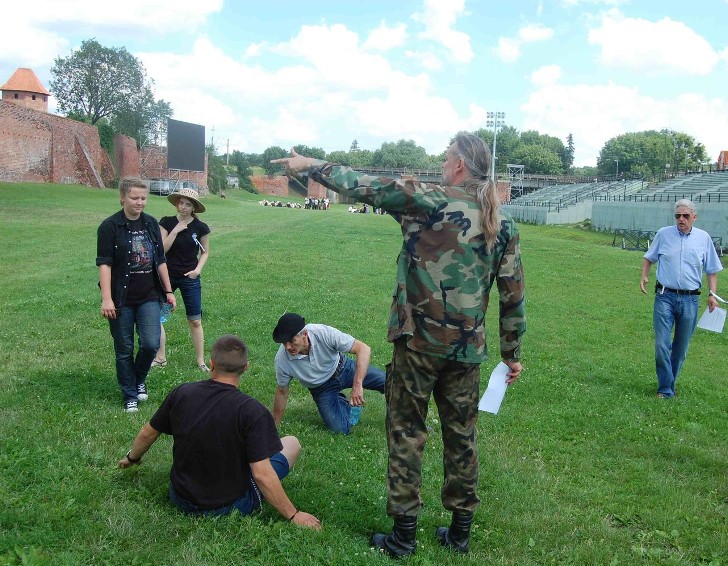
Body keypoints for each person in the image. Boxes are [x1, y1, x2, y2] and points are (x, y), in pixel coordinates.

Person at [274, 132, 526, 557]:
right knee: (461, 436)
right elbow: (513, 293)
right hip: (466, 352)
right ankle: (459, 534)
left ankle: (403, 538)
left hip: (418, 347)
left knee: (407, 433)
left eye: (447, 158)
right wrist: (511, 354)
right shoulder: (500, 219)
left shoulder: (429, 199)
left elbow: (364, 184)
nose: (443, 165)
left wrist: (311, 165)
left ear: (460, 165)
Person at [118, 335, 322, 528]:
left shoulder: (182, 393)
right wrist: (294, 514)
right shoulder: (253, 411)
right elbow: (262, 474)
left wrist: (132, 458)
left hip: (180, 497)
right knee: (291, 443)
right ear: (246, 367)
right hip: (229, 506)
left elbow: (148, 433)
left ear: (212, 364)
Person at [97, 177, 176, 413]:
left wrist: (169, 290)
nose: (140, 202)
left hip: (149, 295)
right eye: (134, 198)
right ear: (122, 198)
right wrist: (107, 298)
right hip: (121, 298)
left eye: (143, 198)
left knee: (151, 344)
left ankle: (138, 379)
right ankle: (129, 393)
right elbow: (105, 264)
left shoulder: (152, 224)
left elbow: (160, 260)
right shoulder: (110, 227)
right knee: (124, 348)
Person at [640, 199, 722, 398]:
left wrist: (712, 294)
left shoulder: (704, 238)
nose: (681, 219)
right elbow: (649, 257)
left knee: (681, 347)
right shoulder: (663, 234)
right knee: (661, 343)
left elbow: (711, 270)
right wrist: (644, 275)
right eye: (678, 216)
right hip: (664, 296)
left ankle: (668, 384)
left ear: (694, 217)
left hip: (690, 299)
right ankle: (666, 389)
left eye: (686, 216)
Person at [272, 312, 386, 434]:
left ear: (305, 334)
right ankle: (340, 401)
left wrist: (357, 385)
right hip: (321, 388)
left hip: (344, 368)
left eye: (292, 341)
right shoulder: (282, 360)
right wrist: (273, 426)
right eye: (284, 343)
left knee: (389, 382)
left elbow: (363, 348)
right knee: (340, 429)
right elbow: (282, 391)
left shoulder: (322, 333)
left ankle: (407, 411)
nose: (288, 347)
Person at [154, 188, 211, 371]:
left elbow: (205, 252)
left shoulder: (200, 227)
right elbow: (162, 250)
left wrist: (197, 270)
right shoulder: (166, 222)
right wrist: (176, 230)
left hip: (190, 277)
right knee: (158, 316)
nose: (183, 207)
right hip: (167, 275)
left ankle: (200, 360)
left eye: (188, 204)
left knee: (195, 320)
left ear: (194, 207)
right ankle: (161, 357)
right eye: (181, 203)